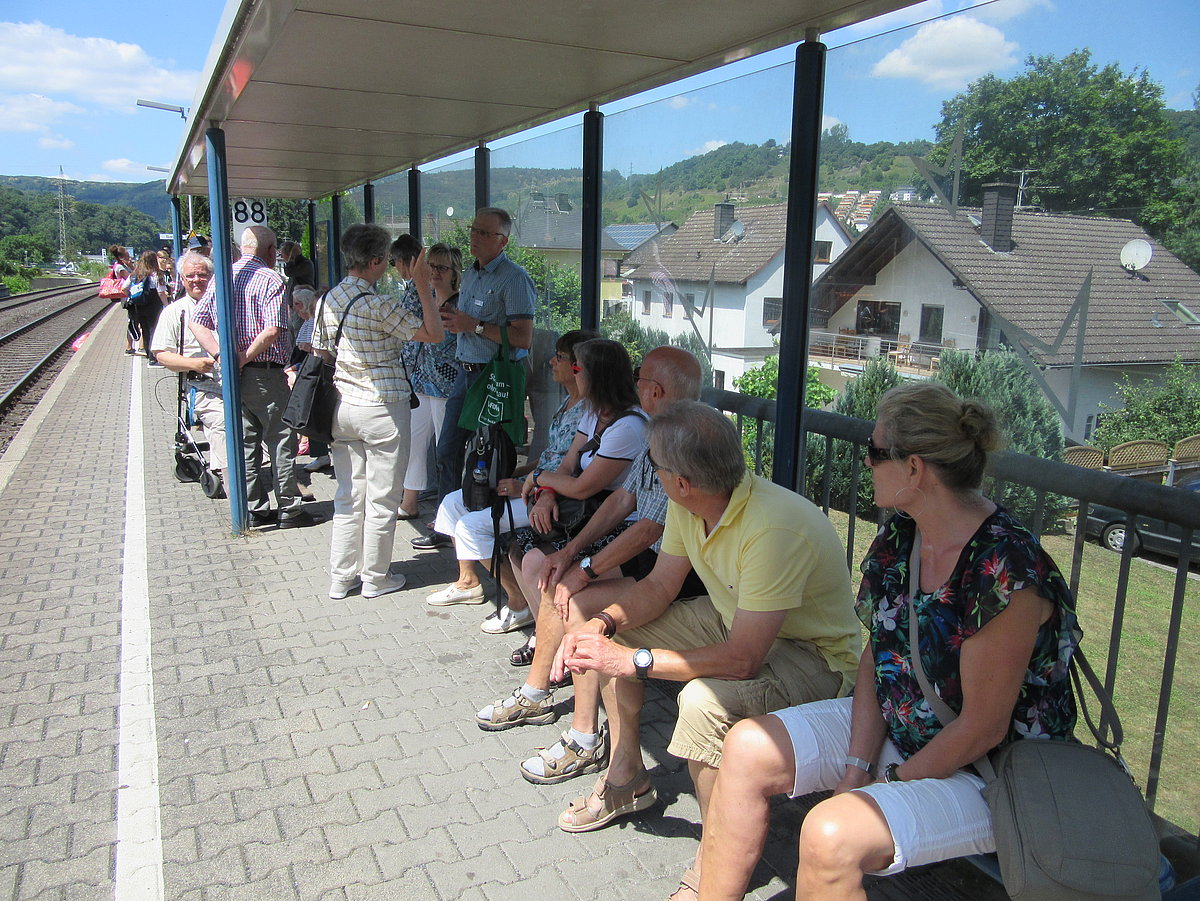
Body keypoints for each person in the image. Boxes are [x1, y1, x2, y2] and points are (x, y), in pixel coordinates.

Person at [695, 382, 1080, 901]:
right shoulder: (902, 536)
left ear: (915, 469)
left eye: (874, 453)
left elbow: (982, 729)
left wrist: (889, 784)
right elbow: (881, 658)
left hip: (990, 773)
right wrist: (856, 766)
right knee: (745, 747)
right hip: (903, 729)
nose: (866, 463)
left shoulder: (1005, 568)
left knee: (831, 835)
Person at [551, 401, 859, 854]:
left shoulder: (774, 529)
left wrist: (630, 661)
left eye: (652, 462)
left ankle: (716, 857)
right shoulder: (692, 502)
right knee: (617, 639)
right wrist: (603, 623)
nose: (648, 469)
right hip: (737, 622)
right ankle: (627, 778)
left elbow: (741, 660)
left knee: (701, 703)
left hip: (817, 657)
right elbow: (658, 586)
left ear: (681, 481)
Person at [512, 346, 705, 786]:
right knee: (559, 575)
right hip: (654, 558)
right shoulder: (661, 430)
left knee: (579, 605)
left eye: (641, 379)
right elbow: (623, 500)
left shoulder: (684, 439)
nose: (636, 385)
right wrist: (572, 554)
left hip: (680, 574)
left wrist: (588, 568)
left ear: (654, 391)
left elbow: (650, 529)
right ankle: (539, 692)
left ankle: (585, 738)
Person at [475, 338, 646, 727]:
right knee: (523, 549)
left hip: (603, 519)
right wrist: (546, 493)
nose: (571, 373)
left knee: (553, 574)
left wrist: (539, 479)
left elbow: (587, 487)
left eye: (577, 368)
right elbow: (569, 466)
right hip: (584, 514)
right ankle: (548, 654)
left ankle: (541, 681)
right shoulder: (594, 414)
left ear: (594, 375)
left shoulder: (631, 427)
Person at [424, 329, 595, 628]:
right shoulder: (566, 403)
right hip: (535, 485)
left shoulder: (589, 413)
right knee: (453, 503)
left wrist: (525, 486)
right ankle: (468, 582)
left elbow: (574, 470)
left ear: (580, 365)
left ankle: (518, 603)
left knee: (471, 526)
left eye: (560, 357)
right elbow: (552, 457)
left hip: (554, 500)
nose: (551, 362)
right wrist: (515, 474)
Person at [311, 224, 443, 601]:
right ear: (374, 261)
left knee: (348, 495)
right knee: (383, 498)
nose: (387, 265)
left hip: (342, 407)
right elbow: (433, 333)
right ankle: (375, 578)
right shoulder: (379, 305)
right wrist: (421, 284)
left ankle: (340, 578)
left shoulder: (328, 300)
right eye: (385, 259)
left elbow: (320, 351)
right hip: (383, 407)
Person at [190, 225, 314, 529]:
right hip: (265, 374)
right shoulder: (271, 279)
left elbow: (197, 322)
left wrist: (223, 356)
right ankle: (290, 509)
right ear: (271, 251)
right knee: (281, 440)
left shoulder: (222, 277)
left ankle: (255, 508)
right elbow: (273, 329)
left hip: (233, 378)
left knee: (245, 443)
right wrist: (244, 357)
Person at [423, 207, 535, 523]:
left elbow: (523, 338)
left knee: (488, 456)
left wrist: (474, 325)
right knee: (447, 449)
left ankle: (484, 524)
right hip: (464, 372)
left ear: (503, 241)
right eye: (474, 229)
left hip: (493, 379)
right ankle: (446, 522)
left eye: (484, 233)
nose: (475, 237)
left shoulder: (514, 279)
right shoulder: (471, 274)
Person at [393, 239, 461, 518]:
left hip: (448, 386)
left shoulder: (460, 302)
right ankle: (409, 503)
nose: (434, 272)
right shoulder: (425, 297)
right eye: (431, 266)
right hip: (422, 382)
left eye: (441, 267)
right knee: (414, 444)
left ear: (454, 271)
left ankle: (445, 513)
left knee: (444, 451)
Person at [149, 250, 226, 479]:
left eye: (201, 275)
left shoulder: (227, 306)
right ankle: (226, 476)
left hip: (239, 379)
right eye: (190, 276)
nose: (196, 280)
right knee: (223, 420)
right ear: (182, 279)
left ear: (211, 277)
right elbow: (161, 354)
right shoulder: (175, 312)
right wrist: (193, 363)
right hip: (202, 385)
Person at [128, 251, 166, 365]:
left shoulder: (135, 274)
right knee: (154, 330)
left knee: (145, 330)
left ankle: (149, 354)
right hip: (154, 305)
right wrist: (167, 306)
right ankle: (153, 357)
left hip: (139, 305)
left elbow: (124, 288)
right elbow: (161, 292)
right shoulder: (156, 274)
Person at [108, 245, 137, 356]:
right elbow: (132, 278)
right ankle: (129, 347)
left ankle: (134, 345)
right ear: (121, 257)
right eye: (127, 254)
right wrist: (131, 266)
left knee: (134, 321)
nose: (129, 256)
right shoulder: (119, 267)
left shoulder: (122, 265)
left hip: (131, 296)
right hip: (128, 298)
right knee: (132, 321)